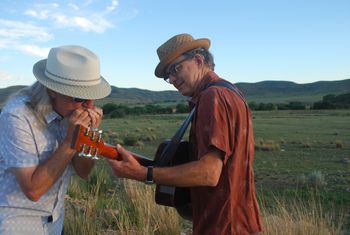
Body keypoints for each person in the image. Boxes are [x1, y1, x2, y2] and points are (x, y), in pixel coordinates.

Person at [107, 33, 262, 235]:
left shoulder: (212, 97)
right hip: (238, 222)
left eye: (175, 69)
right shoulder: (230, 92)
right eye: (167, 76)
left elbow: (209, 173)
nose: (171, 79)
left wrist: (143, 174)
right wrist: (138, 164)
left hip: (224, 226)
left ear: (198, 60)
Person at [0, 45, 111, 234]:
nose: (88, 106)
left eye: (92, 98)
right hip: (16, 220)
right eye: (79, 97)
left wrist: (88, 135)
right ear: (52, 90)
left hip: (55, 218)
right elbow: (33, 190)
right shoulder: (17, 116)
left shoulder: (67, 112)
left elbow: (83, 172)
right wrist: (70, 141)